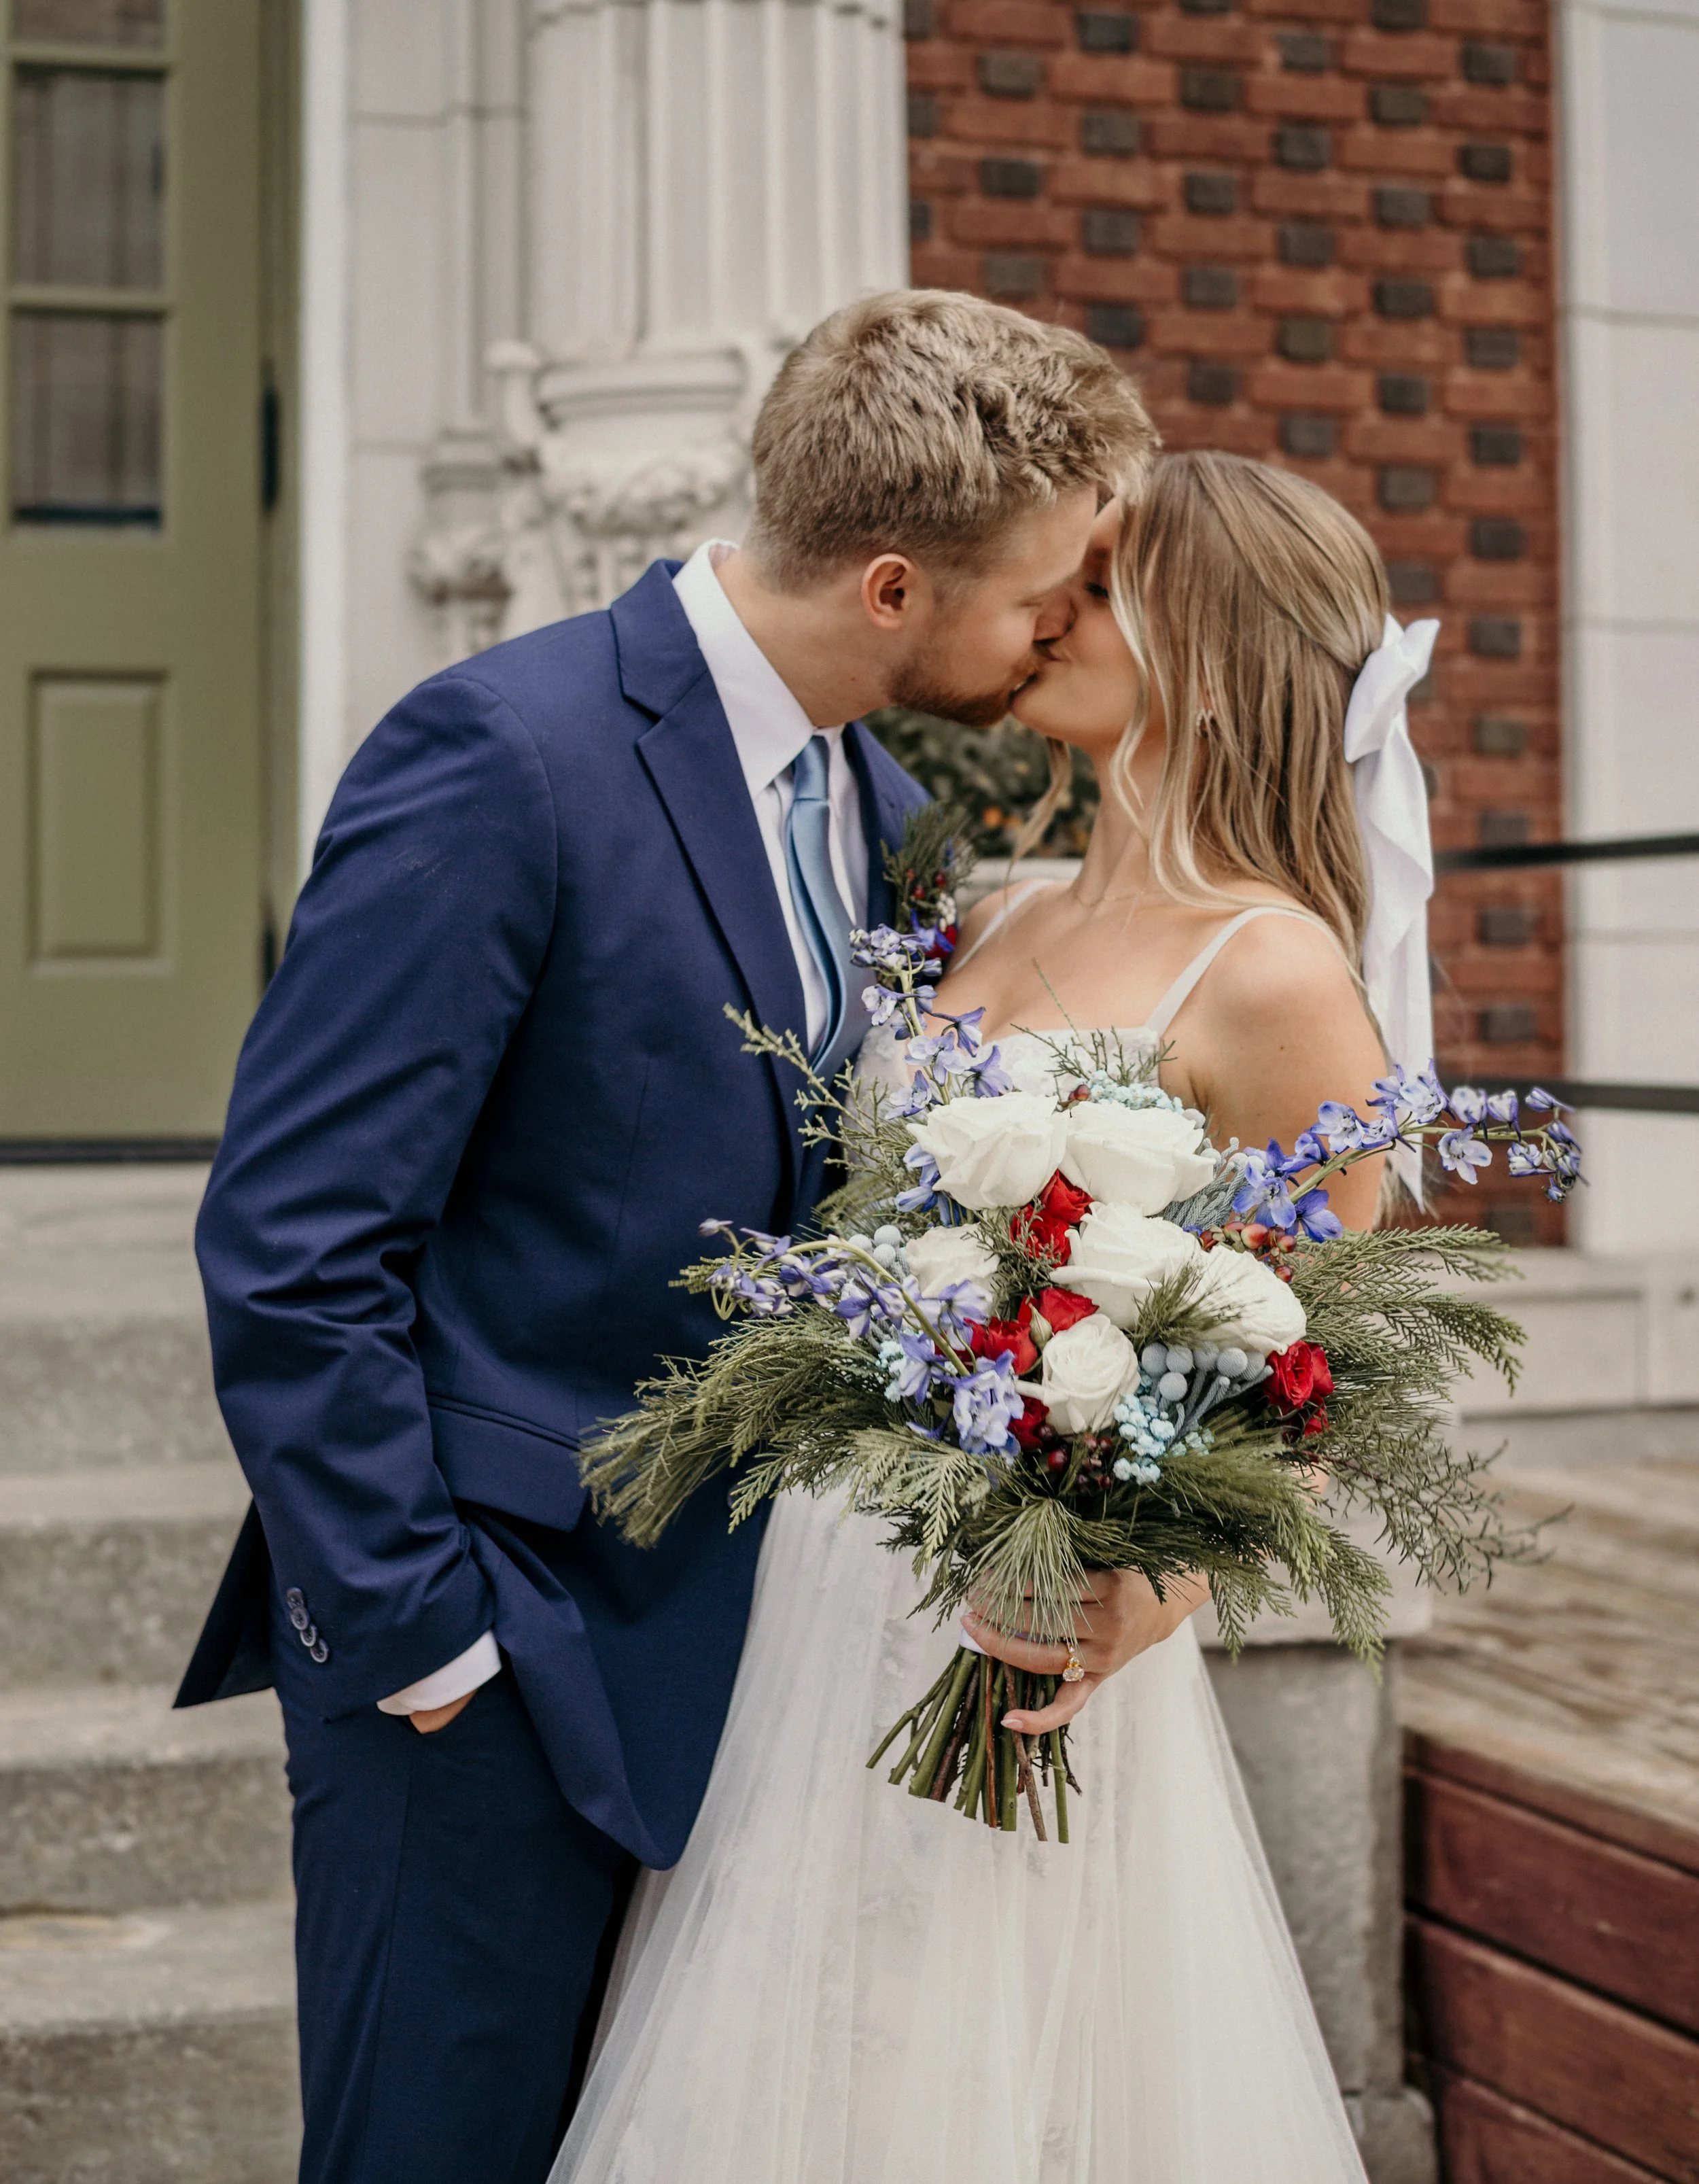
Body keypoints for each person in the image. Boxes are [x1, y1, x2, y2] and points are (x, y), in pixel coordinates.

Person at [173, 290, 1155, 2184]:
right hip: (487, 1652)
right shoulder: (503, 751)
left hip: (747, 1675)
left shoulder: (870, 799)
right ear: (890, 585)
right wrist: (423, 1643)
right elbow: (297, 1236)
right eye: (1038, 587)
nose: (1056, 621)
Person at [553, 451, 1438, 2183]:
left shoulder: (1271, 971)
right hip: (815, 1585)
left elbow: (1333, 1373)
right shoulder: (988, 903)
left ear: (1199, 641)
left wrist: (1144, 1587)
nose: (1044, 611)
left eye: (1093, 588)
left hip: (1017, 1621)